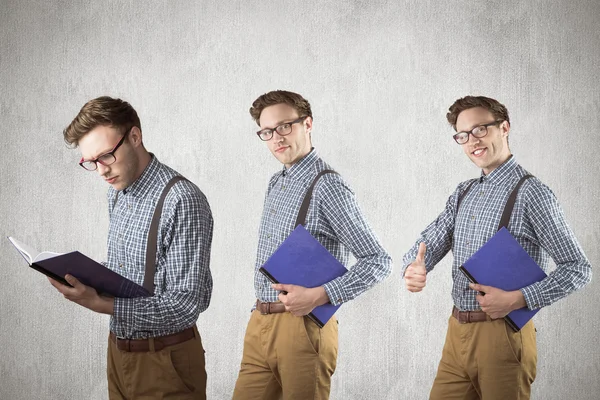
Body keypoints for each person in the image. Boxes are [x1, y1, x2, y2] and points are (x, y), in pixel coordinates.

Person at [402, 95, 592, 399]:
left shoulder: (533, 193)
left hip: (503, 337)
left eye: (480, 130)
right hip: (457, 333)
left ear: (504, 127)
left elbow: (578, 269)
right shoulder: (463, 192)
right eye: (463, 135)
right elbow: (427, 243)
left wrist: (519, 298)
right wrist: (413, 266)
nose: (472, 141)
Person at [49, 96, 213, 399]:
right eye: (91, 162)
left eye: (106, 156)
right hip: (118, 352)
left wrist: (102, 304)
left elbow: (186, 305)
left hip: (166, 360)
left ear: (135, 137)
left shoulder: (182, 200)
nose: (101, 171)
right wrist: (79, 275)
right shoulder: (117, 192)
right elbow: (127, 271)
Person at [232, 90, 392, 399]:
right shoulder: (276, 182)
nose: (276, 137)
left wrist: (321, 295)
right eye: (267, 131)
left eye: (284, 126)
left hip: (303, 329)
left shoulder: (327, 185)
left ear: (308, 124)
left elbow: (377, 260)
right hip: (260, 322)